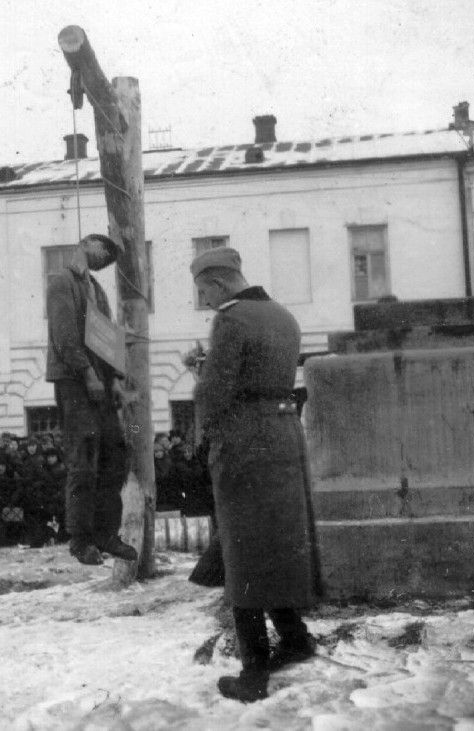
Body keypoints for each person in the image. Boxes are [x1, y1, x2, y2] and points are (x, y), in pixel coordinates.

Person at [191, 246, 321, 703]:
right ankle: (296, 637)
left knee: (242, 550)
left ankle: (253, 673)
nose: (204, 301)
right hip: (284, 436)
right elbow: (260, 375)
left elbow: (216, 393)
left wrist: (200, 419)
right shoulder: (283, 315)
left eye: (203, 292)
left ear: (220, 283)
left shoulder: (231, 319)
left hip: (244, 443)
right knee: (274, 544)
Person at [45, 233, 137, 566]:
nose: (106, 259)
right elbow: (65, 337)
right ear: (85, 243)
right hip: (75, 382)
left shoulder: (96, 289)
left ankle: (107, 535)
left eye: (111, 258)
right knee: (83, 461)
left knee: (114, 458)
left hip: (101, 384)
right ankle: (80, 540)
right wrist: (88, 375)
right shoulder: (62, 282)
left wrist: (113, 380)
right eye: (104, 251)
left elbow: (107, 340)